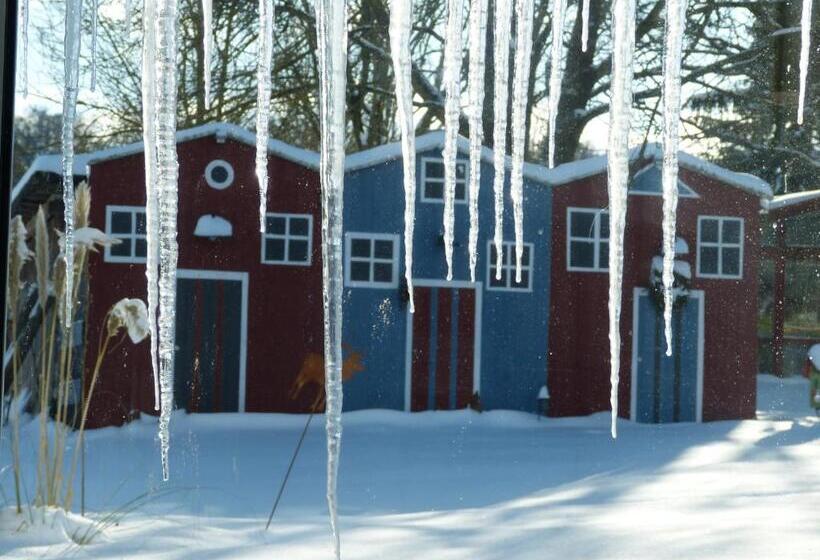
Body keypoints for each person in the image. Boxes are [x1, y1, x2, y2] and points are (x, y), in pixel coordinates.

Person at [807, 344, 820, 415]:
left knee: (816, 390)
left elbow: (809, 360)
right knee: (817, 390)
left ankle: (817, 406)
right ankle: (817, 406)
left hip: (814, 373)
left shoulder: (814, 349)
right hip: (814, 373)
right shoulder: (814, 349)